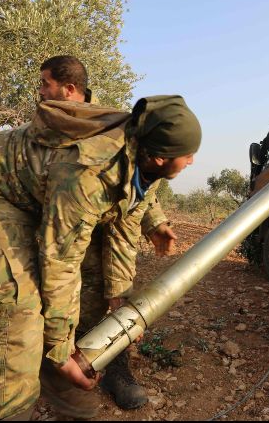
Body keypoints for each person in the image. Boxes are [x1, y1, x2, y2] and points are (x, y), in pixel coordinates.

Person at [0, 60, 202, 420]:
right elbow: (60, 261)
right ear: (161, 157)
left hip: (40, 193)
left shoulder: (143, 157)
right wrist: (59, 348)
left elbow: (123, 233)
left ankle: (68, 384)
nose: (192, 162)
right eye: (188, 156)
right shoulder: (88, 174)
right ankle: (9, 408)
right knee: (19, 309)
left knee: (93, 291)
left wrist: (118, 299)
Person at [38, 55, 177, 411]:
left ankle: (116, 365)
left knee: (114, 294)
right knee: (71, 291)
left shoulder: (107, 125)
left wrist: (155, 222)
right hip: (69, 218)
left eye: (46, 85)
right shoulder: (49, 125)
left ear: (70, 89)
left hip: (105, 225)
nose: (41, 94)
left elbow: (140, 186)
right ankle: (63, 361)